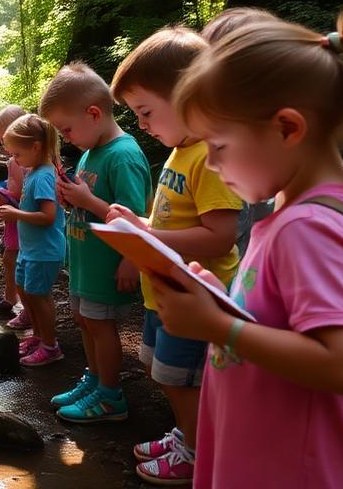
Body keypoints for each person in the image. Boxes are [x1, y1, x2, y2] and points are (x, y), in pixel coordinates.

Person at [153, 0, 343, 488]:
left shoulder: (309, 228)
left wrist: (217, 326)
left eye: (218, 146)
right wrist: (221, 304)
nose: (210, 165)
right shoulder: (340, 205)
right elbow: (290, 317)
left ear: (287, 128)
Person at [108, 27, 243, 486]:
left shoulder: (208, 156)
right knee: (161, 370)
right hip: (164, 290)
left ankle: (198, 450)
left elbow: (220, 236)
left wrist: (150, 236)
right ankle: (187, 434)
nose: (142, 125)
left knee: (182, 378)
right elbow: (175, 218)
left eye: (145, 112)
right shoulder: (180, 151)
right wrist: (143, 227)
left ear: (189, 96)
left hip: (196, 295)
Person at [39, 62, 151, 423]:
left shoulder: (124, 155)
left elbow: (133, 217)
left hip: (109, 264)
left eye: (67, 129)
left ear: (93, 113)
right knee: (84, 321)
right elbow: (91, 200)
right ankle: (95, 379)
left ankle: (110, 394)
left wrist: (131, 260)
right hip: (86, 262)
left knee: (101, 328)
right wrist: (71, 198)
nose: (66, 137)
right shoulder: (90, 151)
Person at [0, 114, 67, 366]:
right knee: (26, 291)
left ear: (36, 147)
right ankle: (37, 335)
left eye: (17, 154)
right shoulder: (33, 171)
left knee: (39, 296)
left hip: (44, 250)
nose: (14, 159)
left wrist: (15, 213)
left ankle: (50, 345)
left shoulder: (44, 175)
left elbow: (48, 216)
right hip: (30, 249)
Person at [0, 104, 28, 317]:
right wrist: (0, 193)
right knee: (9, 258)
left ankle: (25, 306)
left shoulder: (22, 162)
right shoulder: (15, 160)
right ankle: (11, 298)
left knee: (17, 261)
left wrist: (4, 195)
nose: (2, 146)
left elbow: (21, 194)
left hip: (24, 220)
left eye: (3, 140)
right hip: (15, 219)